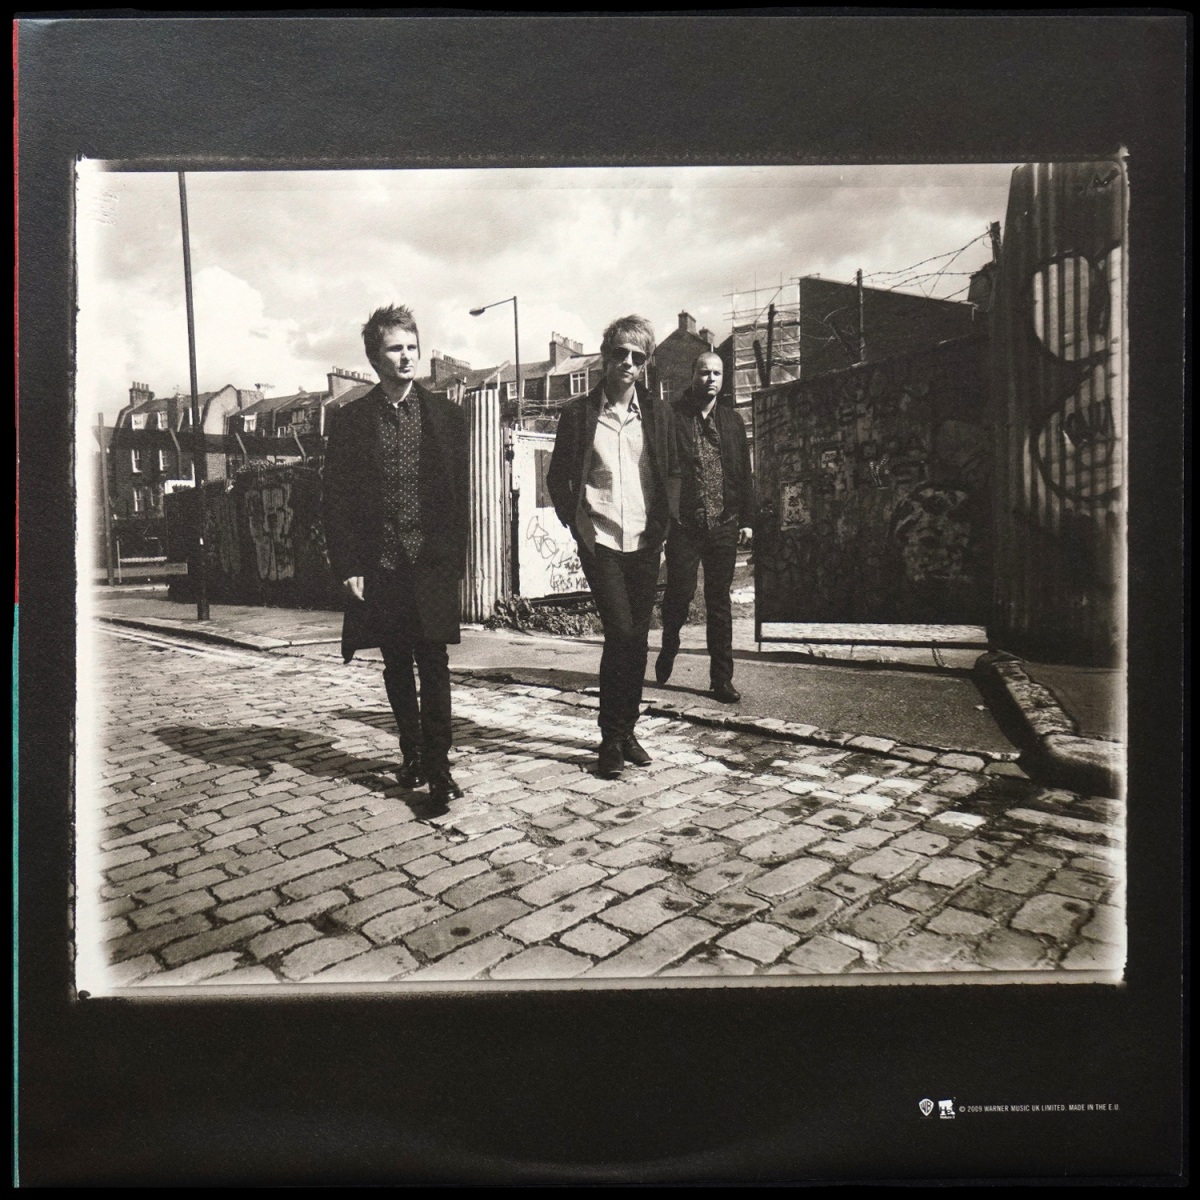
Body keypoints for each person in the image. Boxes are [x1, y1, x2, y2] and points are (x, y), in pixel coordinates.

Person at [322, 304, 469, 811]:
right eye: (394, 348)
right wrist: (349, 565)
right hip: (382, 564)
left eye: (411, 347)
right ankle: (413, 752)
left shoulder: (447, 417)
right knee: (397, 663)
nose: (406, 357)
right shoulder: (350, 421)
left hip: (430, 560)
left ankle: (440, 766)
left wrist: (454, 558)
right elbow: (336, 499)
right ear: (374, 358)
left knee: (435, 662)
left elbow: (459, 496)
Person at [547, 315, 681, 778]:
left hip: (645, 539)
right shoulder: (578, 414)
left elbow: (674, 472)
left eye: (637, 357)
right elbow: (557, 478)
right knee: (620, 633)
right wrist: (577, 526)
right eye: (620, 353)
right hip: (601, 540)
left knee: (638, 639)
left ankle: (627, 732)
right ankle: (609, 737)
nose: (627, 362)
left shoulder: (659, 415)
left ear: (645, 364)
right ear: (606, 356)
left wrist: (665, 524)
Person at [656, 351, 754, 704]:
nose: (710, 378)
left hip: (723, 523)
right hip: (684, 525)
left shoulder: (733, 421)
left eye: (716, 373)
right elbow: (661, 470)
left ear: (722, 379)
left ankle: (721, 679)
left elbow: (744, 472)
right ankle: (670, 642)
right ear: (693, 376)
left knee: (719, 603)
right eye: (704, 372)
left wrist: (747, 520)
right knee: (679, 595)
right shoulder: (674, 417)